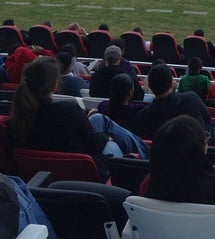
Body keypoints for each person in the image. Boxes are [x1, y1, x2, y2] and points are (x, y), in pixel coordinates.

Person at [8, 57, 150, 182]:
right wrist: (106, 138)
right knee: (110, 140)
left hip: (51, 167)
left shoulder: (16, 117)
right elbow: (94, 145)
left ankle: (145, 153)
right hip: (85, 173)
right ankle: (147, 158)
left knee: (99, 118)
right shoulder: (67, 109)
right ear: (54, 85)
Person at [127, 64, 215, 142]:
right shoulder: (190, 98)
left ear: (150, 88)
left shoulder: (144, 115)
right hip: (207, 142)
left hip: (171, 155)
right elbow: (208, 121)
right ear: (171, 84)